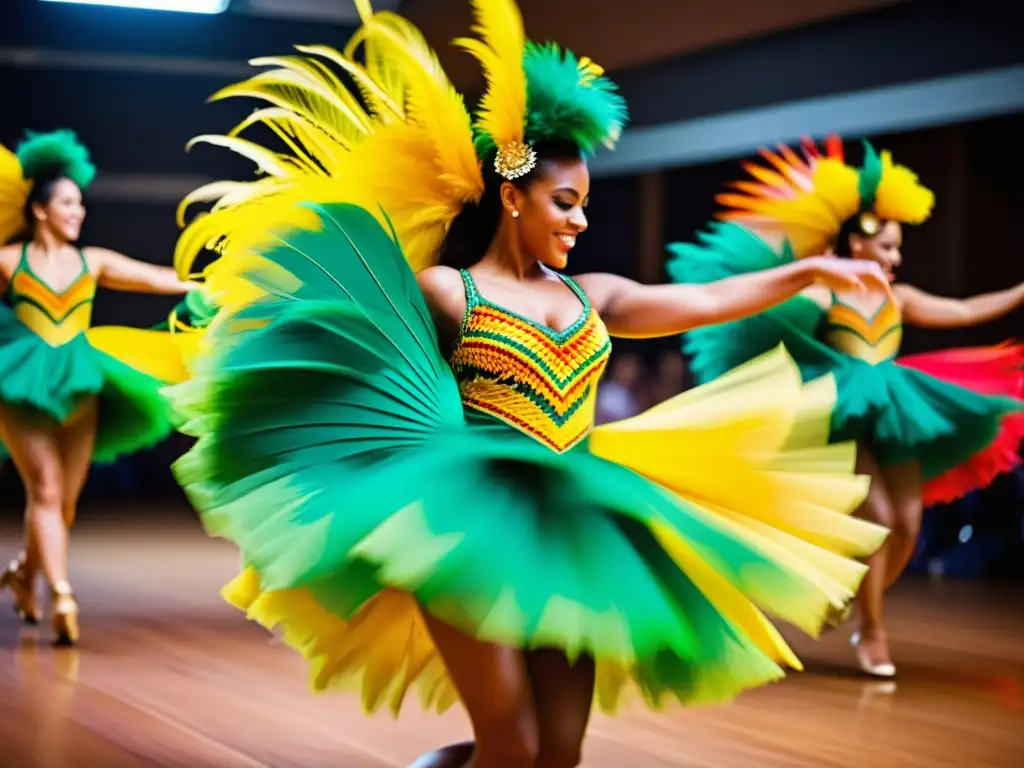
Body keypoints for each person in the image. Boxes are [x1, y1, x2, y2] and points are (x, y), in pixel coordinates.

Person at [168, 3, 890, 766]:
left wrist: (809, 269)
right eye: (565, 204)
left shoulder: (595, 296)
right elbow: (359, 345)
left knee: (559, 754)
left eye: (585, 206)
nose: (579, 223)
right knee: (509, 739)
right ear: (513, 197)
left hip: (574, 523)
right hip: (460, 524)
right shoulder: (446, 290)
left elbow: (706, 302)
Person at [669, 136, 1024, 678]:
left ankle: (849, 598)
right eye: (887, 247)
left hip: (896, 408)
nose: (896, 258)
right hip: (841, 411)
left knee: (906, 524)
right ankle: (873, 631)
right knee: (878, 516)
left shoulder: (899, 297)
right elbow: (759, 301)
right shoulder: (822, 293)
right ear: (856, 244)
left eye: (898, 248)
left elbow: (964, 308)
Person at [0, 129, 197, 645]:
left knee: (62, 503)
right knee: (43, 491)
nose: (78, 211)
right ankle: (61, 593)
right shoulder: (8, 262)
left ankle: (24, 573)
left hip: (82, 382)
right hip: (20, 382)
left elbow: (158, 278)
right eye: (68, 202)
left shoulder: (94, 262)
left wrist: (215, 285)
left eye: (80, 203)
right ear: (40, 209)